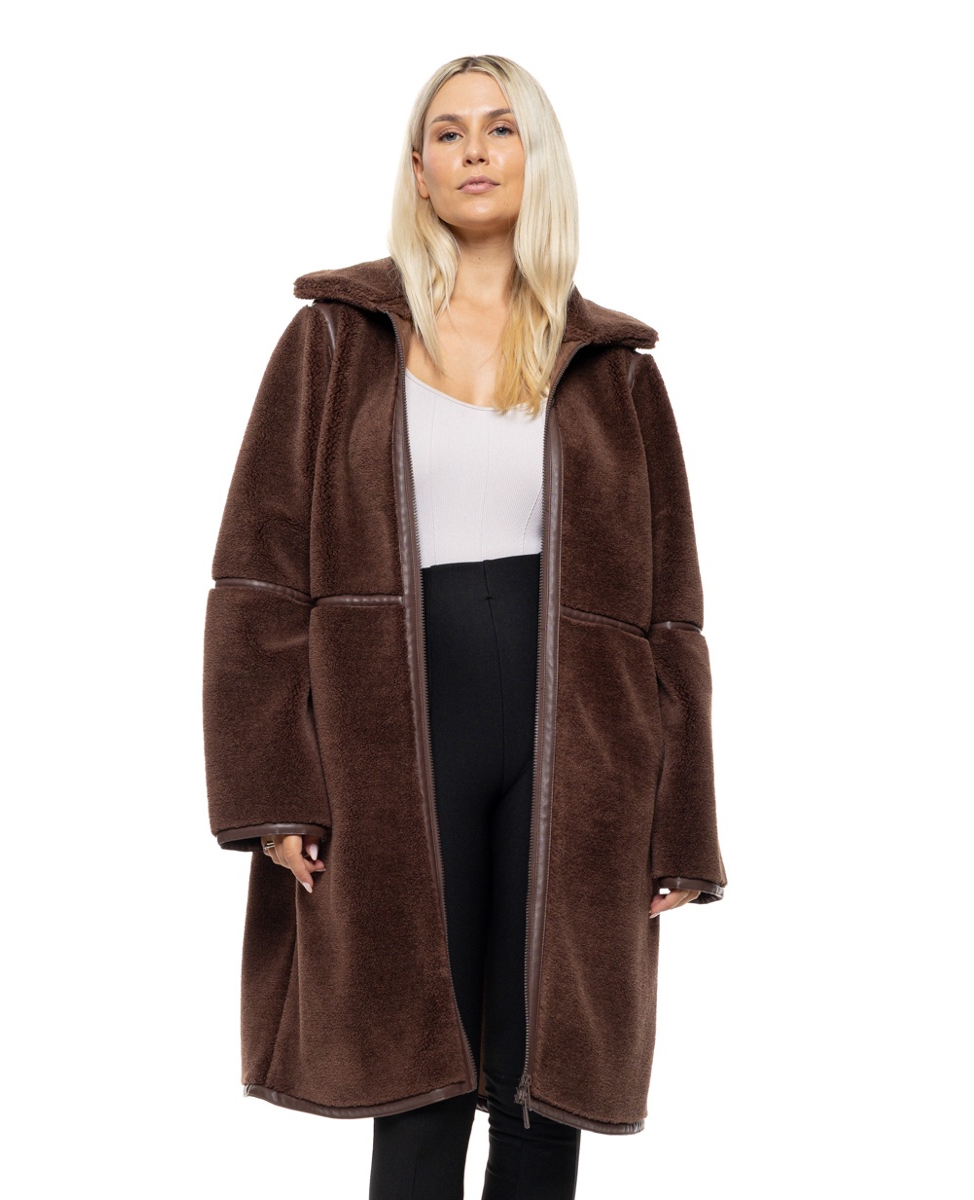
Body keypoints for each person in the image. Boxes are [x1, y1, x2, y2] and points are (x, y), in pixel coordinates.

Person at [203, 54, 727, 1200]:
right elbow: (257, 581)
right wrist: (271, 790)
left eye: (500, 128)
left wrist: (683, 819)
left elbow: (671, 614)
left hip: (578, 745)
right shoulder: (336, 341)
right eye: (448, 133)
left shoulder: (616, 371)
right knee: (419, 1072)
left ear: (537, 160)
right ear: (419, 170)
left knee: (544, 1078)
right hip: (393, 735)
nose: (475, 150)